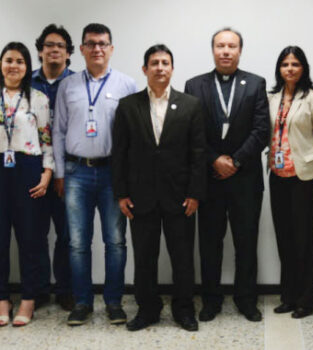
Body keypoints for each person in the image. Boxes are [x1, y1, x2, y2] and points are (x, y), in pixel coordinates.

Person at [112, 44, 206, 332]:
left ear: (172, 69)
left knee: (182, 258)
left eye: (166, 63)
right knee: (144, 258)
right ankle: (147, 309)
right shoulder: (128, 106)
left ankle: (184, 310)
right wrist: (121, 193)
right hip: (141, 197)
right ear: (145, 69)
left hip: (180, 197)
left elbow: (198, 154)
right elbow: (120, 153)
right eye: (154, 63)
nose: (160, 68)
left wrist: (194, 194)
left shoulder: (190, 105)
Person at [53, 23, 136, 326]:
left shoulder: (127, 85)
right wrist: (60, 174)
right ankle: (82, 302)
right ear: (83, 49)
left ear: (111, 48)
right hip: (76, 173)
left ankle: (114, 302)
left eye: (103, 43)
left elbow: (132, 138)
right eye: (91, 43)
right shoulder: (68, 85)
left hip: (113, 173)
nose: (97, 48)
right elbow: (59, 131)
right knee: (77, 243)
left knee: (115, 241)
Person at [185, 27, 270, 322]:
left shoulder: (256, 84)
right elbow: (192, 135)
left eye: (231, 46)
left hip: (245, 179)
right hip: (208, 180)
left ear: (240, 50)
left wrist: (234, 161)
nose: (225, 51)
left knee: (246, 241)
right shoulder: (194, 86)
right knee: (209, 243)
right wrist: (214, 160)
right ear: (212, 50)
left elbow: (262, 131)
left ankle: (247, 300)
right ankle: (210, 299)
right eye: (220, 45)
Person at [267, 46, 313, 319]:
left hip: (303, 176)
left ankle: (307, 298)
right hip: (277, 176)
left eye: (295, 64)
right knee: (284, 238)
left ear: (303, 68)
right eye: (285, 64)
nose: (290, 69)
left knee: (303, 238)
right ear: (279, 69)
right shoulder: (271, 98)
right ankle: (288, 296)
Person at [0, 42, 54, 327]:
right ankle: (3, 299)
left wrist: (47, 174)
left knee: (30, 239)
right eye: (9, 60)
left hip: (29, 169)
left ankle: (29, 298)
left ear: (26, 66)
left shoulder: (38, 99)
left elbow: (47, 140)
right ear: (1, 64)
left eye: (20, 61)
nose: (13, 66)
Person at [32, 23, 75, 311]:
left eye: (60, 45)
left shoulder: (77, 83)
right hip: (31, 168)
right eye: (49, 45)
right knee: (34, 232)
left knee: (68, 234)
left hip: (69, 171)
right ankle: (37, 289)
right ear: (40, 51)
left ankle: (64, 289)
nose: (55, 49)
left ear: (69, 53)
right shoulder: (26, 80)